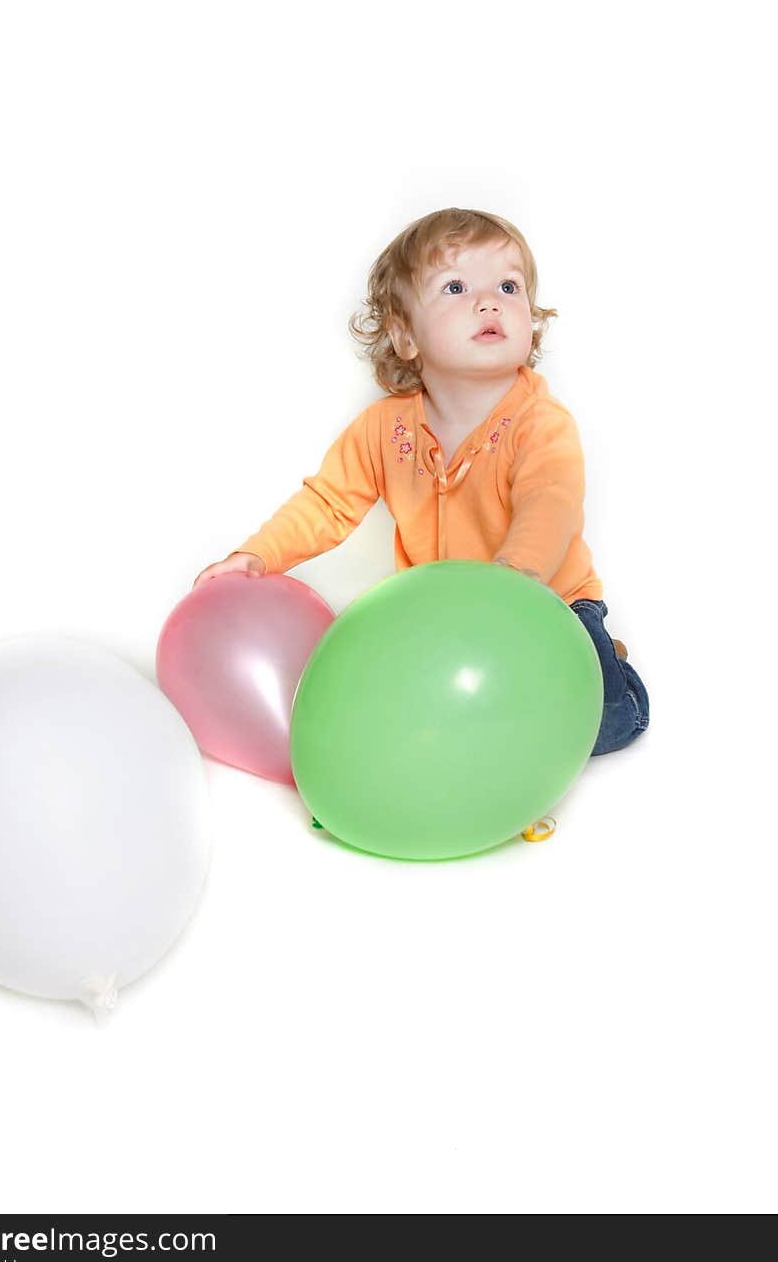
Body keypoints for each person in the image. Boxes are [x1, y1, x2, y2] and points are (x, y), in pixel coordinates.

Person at [193, 207, 649, 831]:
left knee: (600, 721)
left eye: (508, 288)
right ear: (405, 336)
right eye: (457, 288)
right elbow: (328, 502)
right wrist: (258, 555)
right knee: (410, 709)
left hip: (542, 605)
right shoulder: (386, 430)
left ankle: (616, 680)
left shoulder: (542, 425)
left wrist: (515, 577)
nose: (489, 303)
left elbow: (551, 502)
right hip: (434, 620)